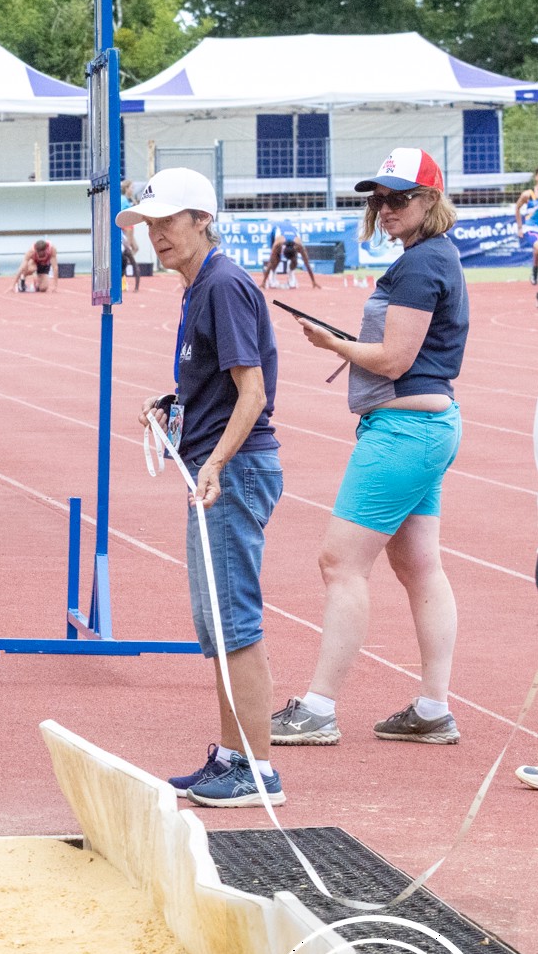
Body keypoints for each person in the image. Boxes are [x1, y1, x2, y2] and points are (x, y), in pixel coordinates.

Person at [270, 148, 469, 750]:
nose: (385, 209)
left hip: (403, 432)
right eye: (378, 199)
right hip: (426, 427)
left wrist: (334, 344)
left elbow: (394, 360)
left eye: (398, 198)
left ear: (429, 201)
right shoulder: (434, 256)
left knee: (341, 563)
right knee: (419, 566)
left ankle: (319, 708)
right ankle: (433, 709)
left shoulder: (419, 265)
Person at [121, 168, 286, 809]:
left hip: (232, 472)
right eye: (150, 224)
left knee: (234, 619)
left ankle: (258, 769)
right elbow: (221, 384)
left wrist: (215, 462)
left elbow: (254, 392)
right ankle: (233, 756)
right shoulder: (199, 288)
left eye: (168, 221)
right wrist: (174, 404)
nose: (156, 234)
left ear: (202, 220)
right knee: (219, 622)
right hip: (218, 468)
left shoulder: (221, 285)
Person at [260, 222, 319, 290]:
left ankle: (291, 275)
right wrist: (263, 282)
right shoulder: (278, 243)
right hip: (276, 230)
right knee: (275, 259)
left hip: (292, 230)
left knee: (294, 261)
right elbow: (270, 262)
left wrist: (313, 281)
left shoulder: (299, 246)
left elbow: (307, 263)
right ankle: (272, 276)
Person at [513, 170, 538, 291]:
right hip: (531, 228)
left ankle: (535, 269)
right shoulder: (528, 194)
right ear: (536, 177)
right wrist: (519, 227)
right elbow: (517, 208)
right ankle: (535, 270)